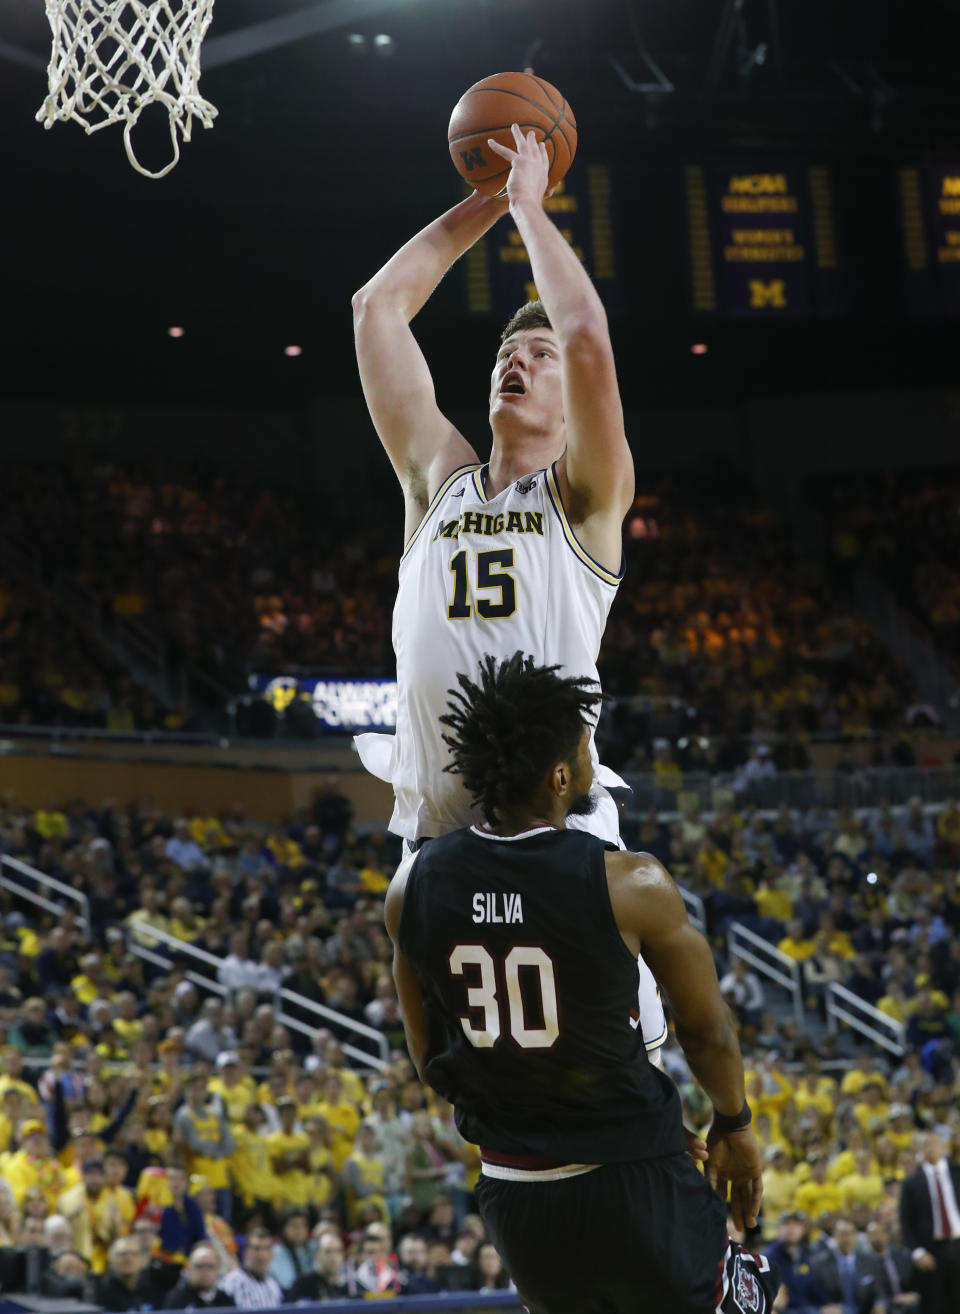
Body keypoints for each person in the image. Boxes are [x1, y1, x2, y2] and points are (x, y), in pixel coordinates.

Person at [352, 120, 666, 1063]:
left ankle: (687, 1178)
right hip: (444, 818)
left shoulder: (586, 496)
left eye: (537, 358)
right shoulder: (435, 481)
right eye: (505, 351)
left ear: (574, 407)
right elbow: (377, 309)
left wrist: (533, 208)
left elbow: (587, 339)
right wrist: (487, 199)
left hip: (553, 809)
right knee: (478, 1080)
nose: (516, 359)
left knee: (624, 1059)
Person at [383, 653, 777, 1314]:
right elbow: (707, 1031)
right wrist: (732, 1123)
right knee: (755, 1294)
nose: (594, 756)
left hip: (517, 1198)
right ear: (561, 775)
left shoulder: (410, 887)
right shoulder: (632, 882)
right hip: (633, 1187)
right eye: (587, 744)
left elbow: (430, 1061)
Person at [898, 1133, 960, 1314]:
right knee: (935, 1305)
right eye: (925, 1144)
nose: (931, 1148)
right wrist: (917, 1252)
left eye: (934, 1143)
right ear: (919, 1150)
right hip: (930, 1252)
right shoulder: (910, 1182)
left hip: (958, 1245)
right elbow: (905, 1222)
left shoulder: (957, 1172)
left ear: (942, 1146)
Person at [219, 1228, 283, 1308]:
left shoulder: (273, 1285)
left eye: (266, 1249)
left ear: (271, 1255)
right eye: (256, 1248)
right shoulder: (231, 1282)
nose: (262, 1255)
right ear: (246, 1252)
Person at [97, 1236, 162, 1312]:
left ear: (142, 1260)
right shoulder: (99, 1291)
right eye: (122, 1254)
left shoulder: (153, 1290)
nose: (128, 1259)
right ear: (110, 1260)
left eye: (134, 1254)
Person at [163, 1242, 236, 1309]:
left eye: (210, 1266)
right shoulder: (176, 1299)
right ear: (189, 1269)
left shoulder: (227, 1302)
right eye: (199, 1266)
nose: (205, 1271)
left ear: (218, 1269)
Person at [288, 1230, 348, 1302]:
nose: (333, 1257)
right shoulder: (303, 1285)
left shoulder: (349, 1286)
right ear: (317, 1254)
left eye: (338, 1251)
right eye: (328, 1251)